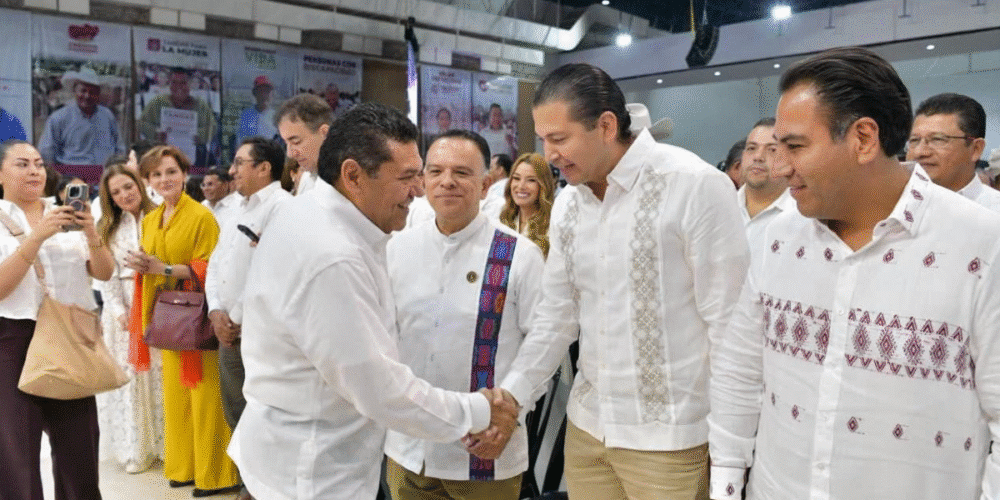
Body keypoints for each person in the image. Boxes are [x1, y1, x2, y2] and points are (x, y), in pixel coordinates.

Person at [708, 47, 1000, 500]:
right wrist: (727, 482)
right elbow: (740, 372)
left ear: (863, 138)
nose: (779, 167)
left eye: (794, 146)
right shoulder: (774, 238)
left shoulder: (981, 245)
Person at [230, 103, 518, 499]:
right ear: (353, 176)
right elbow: (378, 387)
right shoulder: (332, 255)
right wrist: (480, 411)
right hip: (311, 473)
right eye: (407, 177)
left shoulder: (314, 216)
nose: (419, 191)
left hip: (295, 453)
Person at [493, 63, 747, 500]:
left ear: (607, 126)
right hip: (588, 429)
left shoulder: (693, 185)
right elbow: (556, 318)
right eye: (544, 140)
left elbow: (730, 327)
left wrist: (731, 457)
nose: (549, 154)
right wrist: (513, 396)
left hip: (670, 440)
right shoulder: (569, 204)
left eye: (560, 138)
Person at [384, 130, 546, 500]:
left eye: (462, 172)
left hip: (485, 448)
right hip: (409, 449)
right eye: (436, 171)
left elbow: (541, 346)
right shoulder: (398, 249)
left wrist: (513, 411)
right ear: (423, 181)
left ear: (486, 184)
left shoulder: (518, 255)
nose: (447, 182)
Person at [0, 139, 114, 499]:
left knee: (79, 447)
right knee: (17, 452)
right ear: (1, 174)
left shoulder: (64, 211)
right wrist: (37, 236)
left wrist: (91, 232)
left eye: (38, 163)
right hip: (12, 339)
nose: (34, 171)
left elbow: (104, 272)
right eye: (22, 164)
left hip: (68, 334)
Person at [125, 145, 239, 497]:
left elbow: (211, 267)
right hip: (168, 318)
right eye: (156, 174)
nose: (165, 179)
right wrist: (142, 264)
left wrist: (163, 269)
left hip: (196, 317)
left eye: (171, 172)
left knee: (205, 397)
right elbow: (153, 262)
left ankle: (216, 475)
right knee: (176, 397)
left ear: (185, 174)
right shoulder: (150, 219)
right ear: (147, 181)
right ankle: (183, 467)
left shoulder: (201, 216)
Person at [205, 137, 290, 500]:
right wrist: (215, 311)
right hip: (228, 331)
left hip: (260, 333)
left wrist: (235, 318)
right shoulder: (236, 209)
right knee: (236, 413)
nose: (232, 170)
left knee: (266, 416)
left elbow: (269, 271)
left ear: (264, 168)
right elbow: (216, 264)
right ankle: (249, 485)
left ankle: (268, 489)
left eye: (240, 163)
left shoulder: (283, 208)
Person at [94, 160, 162, 474]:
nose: (124, 195)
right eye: (116, 192)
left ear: (140, 185)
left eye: (128, 186)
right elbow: (105, 276)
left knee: (159, 376)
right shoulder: (107, 227)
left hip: (159, 304)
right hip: (124, 310)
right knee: (130, 379)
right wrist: (119, 312)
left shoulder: (160, 215)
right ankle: (136, 449)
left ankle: (164, 446)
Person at [905, 92, 1000, 212]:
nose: (920, 152)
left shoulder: (994, 212)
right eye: (914, 140)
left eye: (937, 139)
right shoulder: (894, 208)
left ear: (976, 149)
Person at [38, 67, 125, 167]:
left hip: (104, 170)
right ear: (75, 91)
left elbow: (119, 146)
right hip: (70, 172)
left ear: (98, 94)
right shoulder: (59, 118)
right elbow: (46, 151)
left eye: (92, 92)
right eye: (83, 91)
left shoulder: (107, 115)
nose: (87, 96)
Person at [737, 118, 795, 264]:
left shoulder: (804, 217)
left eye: (772, 150)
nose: (758, 157)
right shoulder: (719, 208)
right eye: (751, 148)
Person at [137, 67, 216, 167]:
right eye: (174, 82)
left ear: (189, 85)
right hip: (162, 157)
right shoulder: (158, 102)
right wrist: (156, 134)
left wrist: (199, 135)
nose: (178, 86)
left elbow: (212, 127)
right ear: (169, 84)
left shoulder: (199, 105)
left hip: (192, 159)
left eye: (183, 83)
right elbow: (142, 123)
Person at [498, 152, 556, 256]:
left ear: (543, 186)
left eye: (531, 180)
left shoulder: (553, 226)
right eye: (516, 178)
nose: (521, 186)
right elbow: (498, 261)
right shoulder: (503, 219)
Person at [274, 93, 332, 195]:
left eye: (296, 142)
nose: (290, 154)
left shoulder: (353, 182)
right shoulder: (306, 179)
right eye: (286, 143)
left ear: (324, 133)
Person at [236, 76, 279, 145]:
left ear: (272, 94)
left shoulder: (277, 117)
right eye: (260, 91)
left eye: (267, 92)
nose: (264, 96)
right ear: (255, 94)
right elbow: (240, 141)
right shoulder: (245, 115)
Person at [480, 153, 513, 220]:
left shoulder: (499, 190)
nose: (488, 171)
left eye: (491, 167)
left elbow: (490, 217)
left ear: (500, 170)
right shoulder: (507, 187)